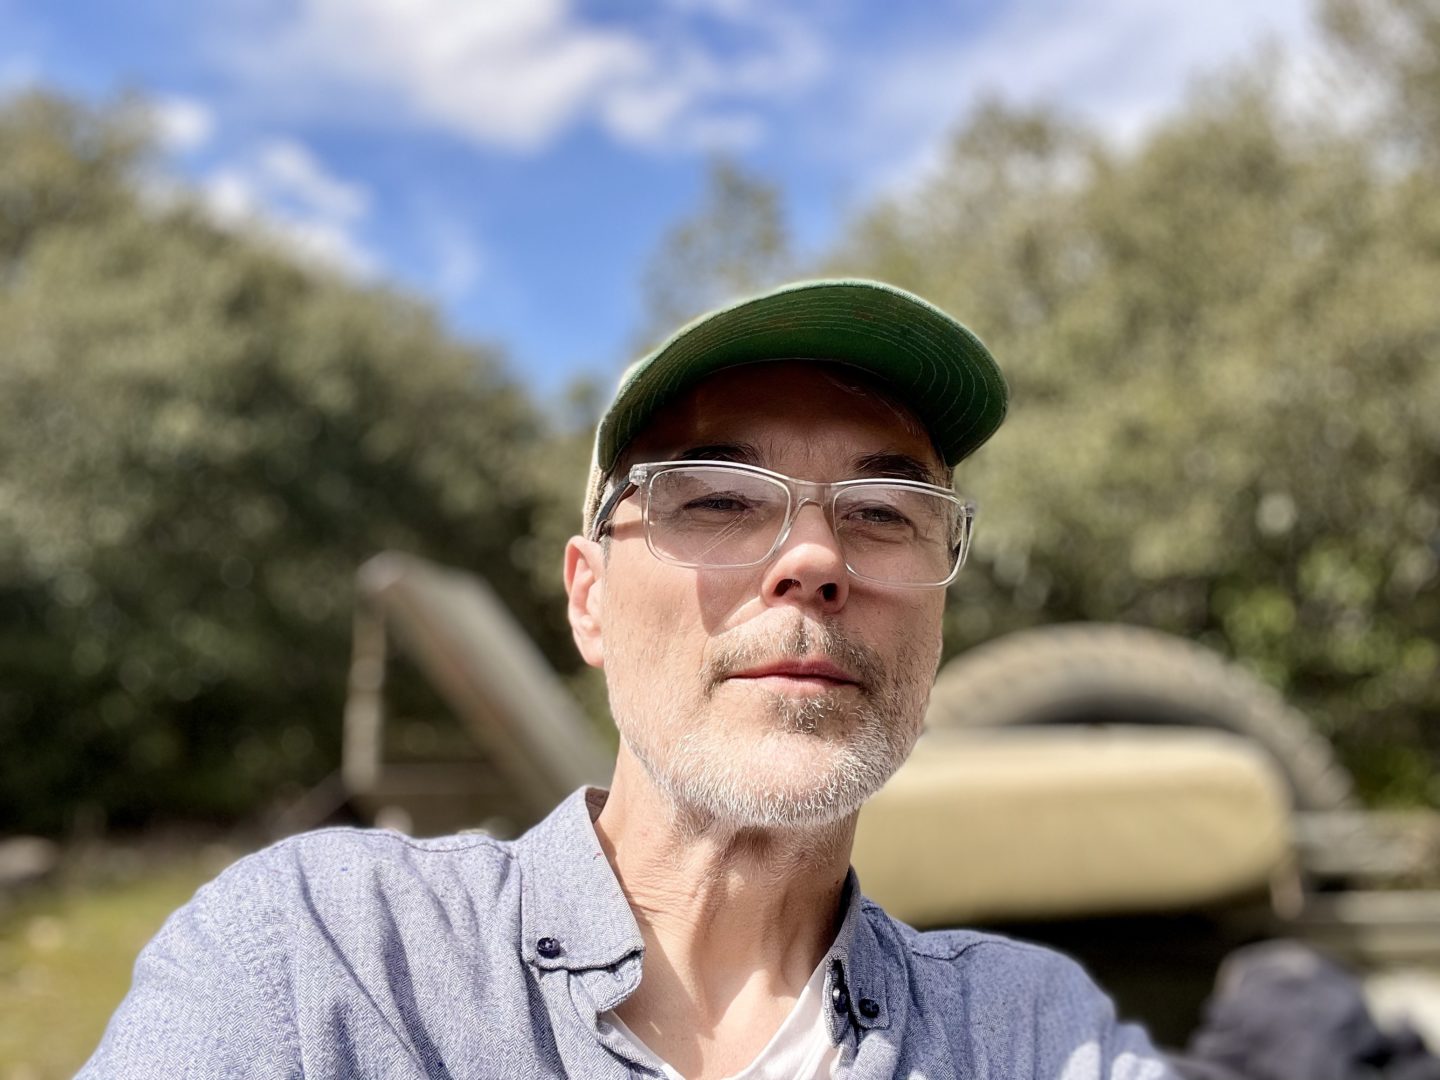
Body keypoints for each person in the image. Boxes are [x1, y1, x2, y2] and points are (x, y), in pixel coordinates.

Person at [82, 279, 1176, 1079]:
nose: (816, 559)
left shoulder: (1037, 1033)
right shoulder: (324, 962)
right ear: (589, 597)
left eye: (886, 513)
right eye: (718, 499)